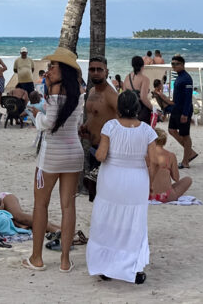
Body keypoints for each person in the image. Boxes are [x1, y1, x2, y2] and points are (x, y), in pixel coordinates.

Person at [22, 48, 83, 274]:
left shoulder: (56, 90)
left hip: (51, 155)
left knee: (41, 205)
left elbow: (49, 123)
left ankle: (37, 257)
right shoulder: (78, 92)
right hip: (73, 153)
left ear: (63, 69)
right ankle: (65, 260)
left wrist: (36, 114)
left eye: (53, 66)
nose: (48, 70)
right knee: (68, 207)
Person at [86, 91, 154, 285]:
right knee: (135, 222)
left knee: (108, 220)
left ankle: (106, 266)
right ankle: (135, 268)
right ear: (137, 108)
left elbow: (101, 155)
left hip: (112, 179)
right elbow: (154, 162)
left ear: (119, 108)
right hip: (137, 179)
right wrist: (151, 181)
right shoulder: (148, 130)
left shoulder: (110, 126)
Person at [80, 57, 119, 201]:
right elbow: (94, 117)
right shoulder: (91, 92)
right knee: (95, 197)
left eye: (99, 70)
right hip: (93, 149)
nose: (95, 73)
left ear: (106, 71)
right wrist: (86, 129)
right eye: (92, 69)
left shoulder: (111, 95)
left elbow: (125, 120)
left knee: (107, 197)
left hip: (108, 152)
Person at [149, 128, 192, 203]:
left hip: (149, 195)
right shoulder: (170, 156)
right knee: (188, 180)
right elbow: (176, 178)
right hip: (167, 196)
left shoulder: (146, 155)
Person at [168, 55, 197, 167]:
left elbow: (188, 97)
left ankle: (185, 162)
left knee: (185, 135)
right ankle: (190, 152)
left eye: (176, 64)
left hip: (183, 111)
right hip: (176, 109)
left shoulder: (187, 78)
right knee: (171, 130)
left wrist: (185, 113)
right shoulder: (178, 76)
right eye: (172, 64)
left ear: (183, 65)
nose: (174, 66)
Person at [124, 56, 152, 123]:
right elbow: (143, 98)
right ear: (143, 66)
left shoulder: (127, 77)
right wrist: (152, 108)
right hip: (140, 110)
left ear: (132, 65)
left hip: (129, 109)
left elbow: (124, 94)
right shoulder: (144, 79)